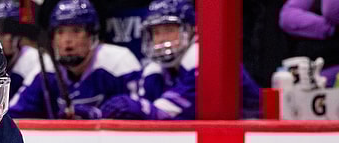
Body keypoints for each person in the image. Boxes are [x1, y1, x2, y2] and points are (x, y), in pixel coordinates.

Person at [100, 0, 260, 120]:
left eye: (169, 30)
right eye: (156, 33)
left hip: (247, 136)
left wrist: (136, 107)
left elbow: (164, 113)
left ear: (190, 29)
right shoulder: (154, 70)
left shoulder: (204, 61)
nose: (161, 39)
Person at [8, 0, 142, 119]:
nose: (67, 40)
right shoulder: (46, 68)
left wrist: (100, 115)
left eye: (76, 31)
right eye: (60, 32)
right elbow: (14, 115)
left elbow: (141, 112)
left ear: (93, 35)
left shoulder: (118, 62)